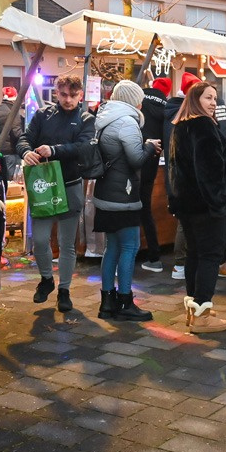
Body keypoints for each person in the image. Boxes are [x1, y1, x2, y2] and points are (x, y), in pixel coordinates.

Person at [17, 75, 95, 312]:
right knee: (40, 240)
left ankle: (65, 290)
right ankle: (47, 279)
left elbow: (83, 148)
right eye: (63, 95)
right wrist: (26, 152)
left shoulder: (86, 119)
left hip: (70, 185)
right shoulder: (43, 115)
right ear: (56, 93)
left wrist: (54, 150)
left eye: (73, 95)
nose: (68, 100)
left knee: (66, 243)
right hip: (43, 187)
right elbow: (23, 138)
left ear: (80, 95)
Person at [90, 80, 162, 321]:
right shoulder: (127, 121)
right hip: (123, 194)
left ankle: (107, 302)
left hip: (106, 192)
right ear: (134, 100)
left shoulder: (105, 118)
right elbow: (136, 159)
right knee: (130, 246)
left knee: (111, 247)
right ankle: (125, 301)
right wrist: (149, 146)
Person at [169, 80, 226, 332]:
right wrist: (220, 203)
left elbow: (176, 170)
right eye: (208, 97)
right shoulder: (204, 125)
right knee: (210, 255)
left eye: (215, 98)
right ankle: (202, 314)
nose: (213, 103)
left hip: (187, 204)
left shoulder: (180, 126)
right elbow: (210, 170)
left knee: (194, 254)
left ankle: (194, 308)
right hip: (207, 206)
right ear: (195, 100)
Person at [163, 72, 201, 281]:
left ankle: (181, 264)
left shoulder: (170, 112)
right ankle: (179, 264)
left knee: (183, 222)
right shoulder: (182, 116)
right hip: (183, 179)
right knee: (184, 223)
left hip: (175, 176)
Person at [137, 75, 171, 271]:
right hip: (151, 163)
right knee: (145, 209)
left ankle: (127, 255)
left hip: (134, 160)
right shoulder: (167, 109)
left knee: (129, 208)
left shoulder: (139, 100)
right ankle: (154, 255)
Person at [0, 86, 24, 174]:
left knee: (2, 176)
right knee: (12, 179)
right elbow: (16, 133)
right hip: (12, 152)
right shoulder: (13, 111)